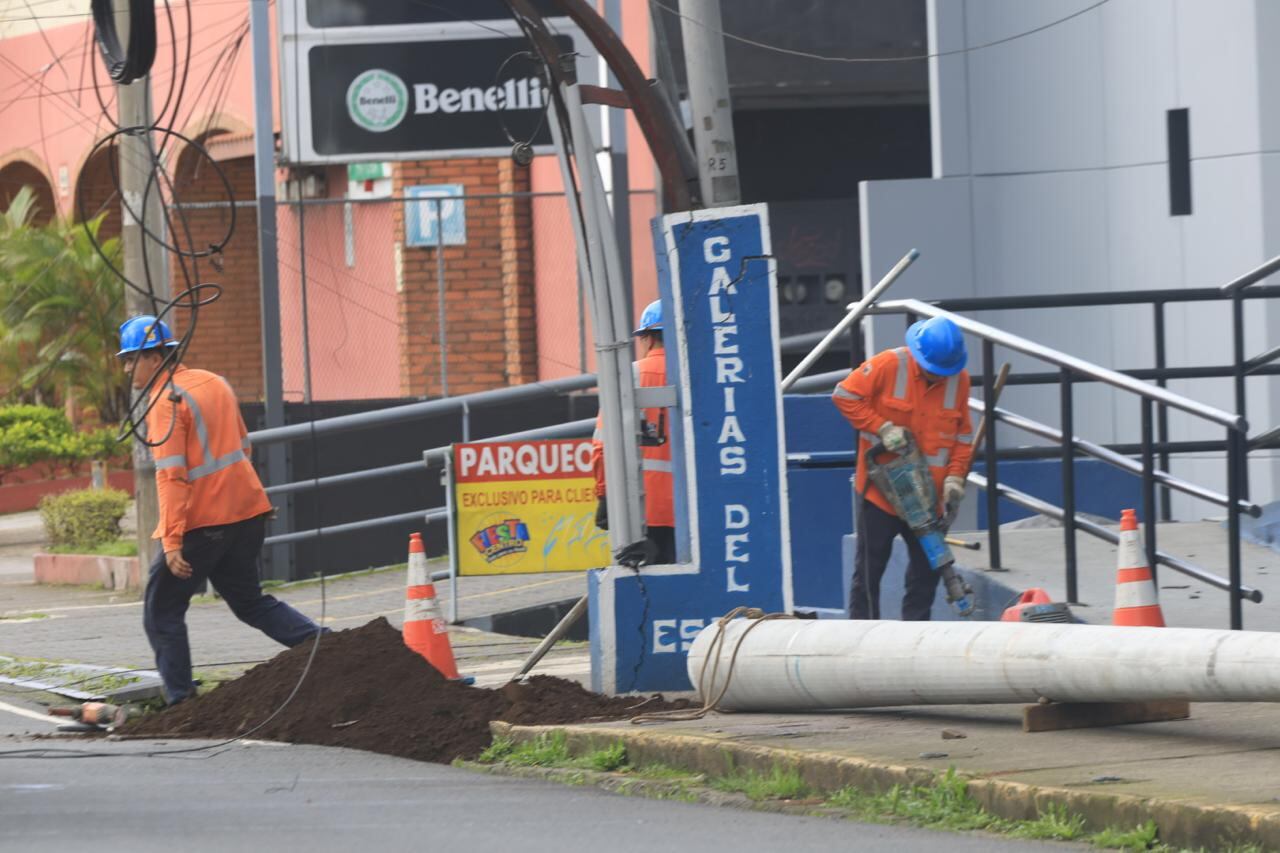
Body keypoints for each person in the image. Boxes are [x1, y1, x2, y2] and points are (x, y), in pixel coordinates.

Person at [118, 315, 324, 705]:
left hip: (203, 524)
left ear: (153, 356)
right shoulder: (215, 382)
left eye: (131, 359)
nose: (128, 369)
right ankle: (328, 647)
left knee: (161, 610)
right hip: (247, 514)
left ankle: (182, 701)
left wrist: (172, 540)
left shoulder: (165, 402)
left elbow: (172, 476)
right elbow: (244, 446)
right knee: (251, 603)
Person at [832, 315, 974, 620]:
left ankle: (913, 641)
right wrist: (881, 427)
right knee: (869, 572)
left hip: (929, 501)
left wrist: (955, 477)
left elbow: (963, 437)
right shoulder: (888, 365)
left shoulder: (958, 380)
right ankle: (861, 638)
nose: (938, 378)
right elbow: (844, 395)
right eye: (931, 371)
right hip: (881, 492)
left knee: (925, 577)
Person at [590, 299, 676, 564]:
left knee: (646, 592)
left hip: (637, 510)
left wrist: (605, 496)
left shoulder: (628, 377)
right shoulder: (699, 376)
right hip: (691, 508)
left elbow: (602, 446)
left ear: (647, 339)